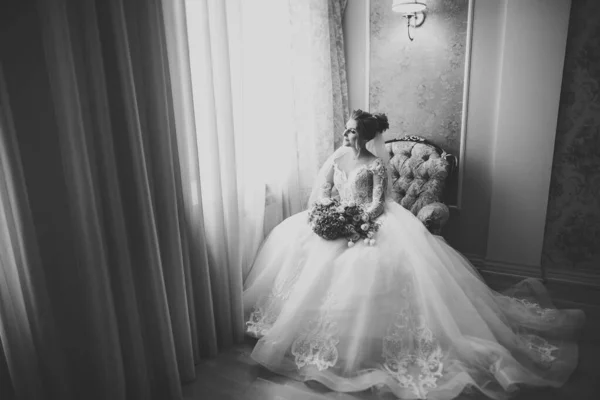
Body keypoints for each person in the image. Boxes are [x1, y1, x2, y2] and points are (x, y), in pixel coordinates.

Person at [242, 109, 585, 400]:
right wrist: (327, 213)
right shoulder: (337, 158)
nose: (344, 134)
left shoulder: (376, 165)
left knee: (371, 268)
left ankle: (369, 342)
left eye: (350, 130)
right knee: (302, 250)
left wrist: (356, 221)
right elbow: (324, 192)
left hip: (369, 222)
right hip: (339, 219)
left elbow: (378, 203)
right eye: (346, 129)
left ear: (363, 136)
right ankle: (302, 332)